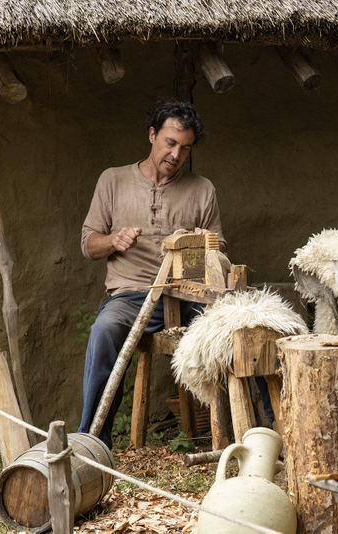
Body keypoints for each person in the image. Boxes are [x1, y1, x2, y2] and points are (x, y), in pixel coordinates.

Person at [79, 100, 223, 449]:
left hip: (185, 296)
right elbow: (88, 244)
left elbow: (216, 258)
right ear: (152, 135)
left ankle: (257, 433)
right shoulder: (112, 180)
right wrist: (114, 240)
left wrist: (205, 247)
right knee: (103, 331)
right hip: (131, 297)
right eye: (170, 143)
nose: (176, 154)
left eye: (185, 148)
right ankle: (93, 442)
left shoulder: (202, 188)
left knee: (237, 329)